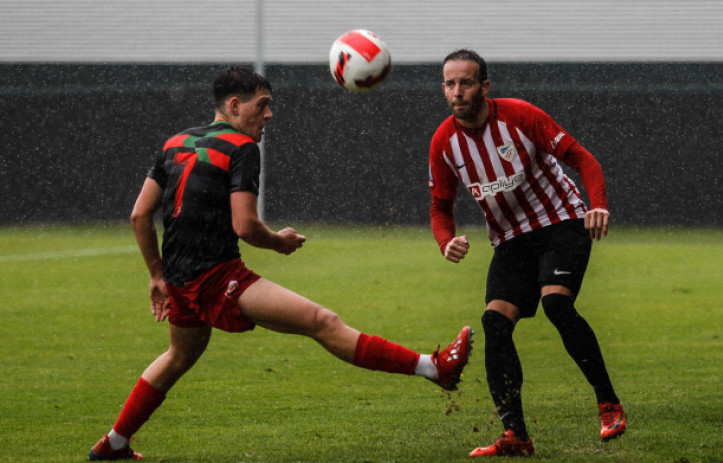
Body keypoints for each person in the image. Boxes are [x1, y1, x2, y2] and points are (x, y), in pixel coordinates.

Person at [88, 66, 472, 461]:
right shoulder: (241, 148)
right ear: (236, 106)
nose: (269, 115)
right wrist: (278, 242)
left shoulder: (174, 143)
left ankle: (115, 441)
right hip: (216, 277)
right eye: (263, 105)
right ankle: (434, 368)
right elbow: (245, 225)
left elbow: (139, 215)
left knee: (179, 356)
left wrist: (156, 275)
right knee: (322, 322)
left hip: (179, 279)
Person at [427, 50, 626, 457]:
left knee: (556, 304)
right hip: (511, 239)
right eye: (450, 83)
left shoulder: (519, 116)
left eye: (466, 82)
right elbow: (440, 207)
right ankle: (515, 435)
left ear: (484, 86)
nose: (457, 91)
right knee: (494, 323)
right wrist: (445, 240)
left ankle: (609, 403)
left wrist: (598, 203)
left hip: (561, 222)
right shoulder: (444, 141)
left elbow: (581, 158)